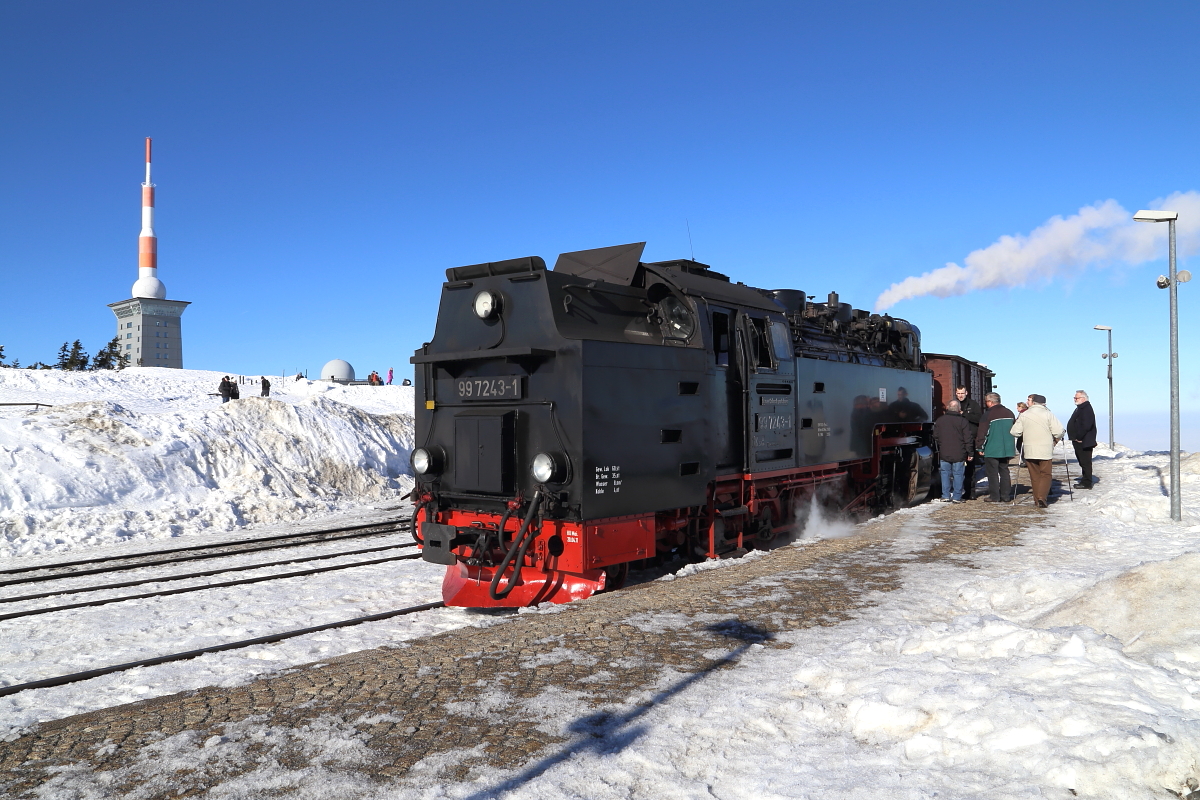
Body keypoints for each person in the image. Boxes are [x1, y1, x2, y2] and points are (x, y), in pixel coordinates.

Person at [1010, 394, 1064, 509]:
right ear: (1044, 404)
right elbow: (1059, 431)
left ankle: (1036, 499)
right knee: (1045, 474)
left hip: (1029, 450)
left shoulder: (1024, 415)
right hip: (1045, 450)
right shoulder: (1048, 414)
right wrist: (1053, 439)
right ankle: (1042, 498)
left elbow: (1015, 432)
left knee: (1034, 475)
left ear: (1033, 402)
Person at [976, 392, 1016, 503]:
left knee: (992, 473)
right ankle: (1006, 495)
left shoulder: (988, 415)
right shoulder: (1009, 413)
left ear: (990, 402)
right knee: (1004, 471)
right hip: (1006, 448)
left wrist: (980, 447)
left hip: (992, 448)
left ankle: (994, 496)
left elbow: (983, 432)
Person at [933, 399, 974, 503]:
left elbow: (935, 436)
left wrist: (942, 444)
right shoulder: (963, 421)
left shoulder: (940, 420)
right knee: (958, 474)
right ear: (959, 409)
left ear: (947, 408)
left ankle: (945, 495)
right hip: (959, 452)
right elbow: (968, 438)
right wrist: (970, 452)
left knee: (945, 473)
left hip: (944, 451)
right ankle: (957, 497)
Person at [954, 386, 983, 499]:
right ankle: (957, 491)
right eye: (958, 393)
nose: (960, 395)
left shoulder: (973, 404)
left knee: (970, 468)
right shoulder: (953, 404)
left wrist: (965, 414)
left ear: (966, 393)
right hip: (957, 439)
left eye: (962, 393)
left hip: (970, 438)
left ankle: (971, 492)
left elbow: (979, 419)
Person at [1067, 389, 1098, 489]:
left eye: (1077, 398)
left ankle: (1087, 482)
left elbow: (1086, 425)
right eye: (1074, 398)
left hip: (1083, 441)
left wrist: (1078, 437)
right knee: (1082, 461)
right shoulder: (1081, 408)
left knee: (1085, 462)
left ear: (1083, 398)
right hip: (1079, 440)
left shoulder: (1086, 408)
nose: (1075, 399)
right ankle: (1085, 479)